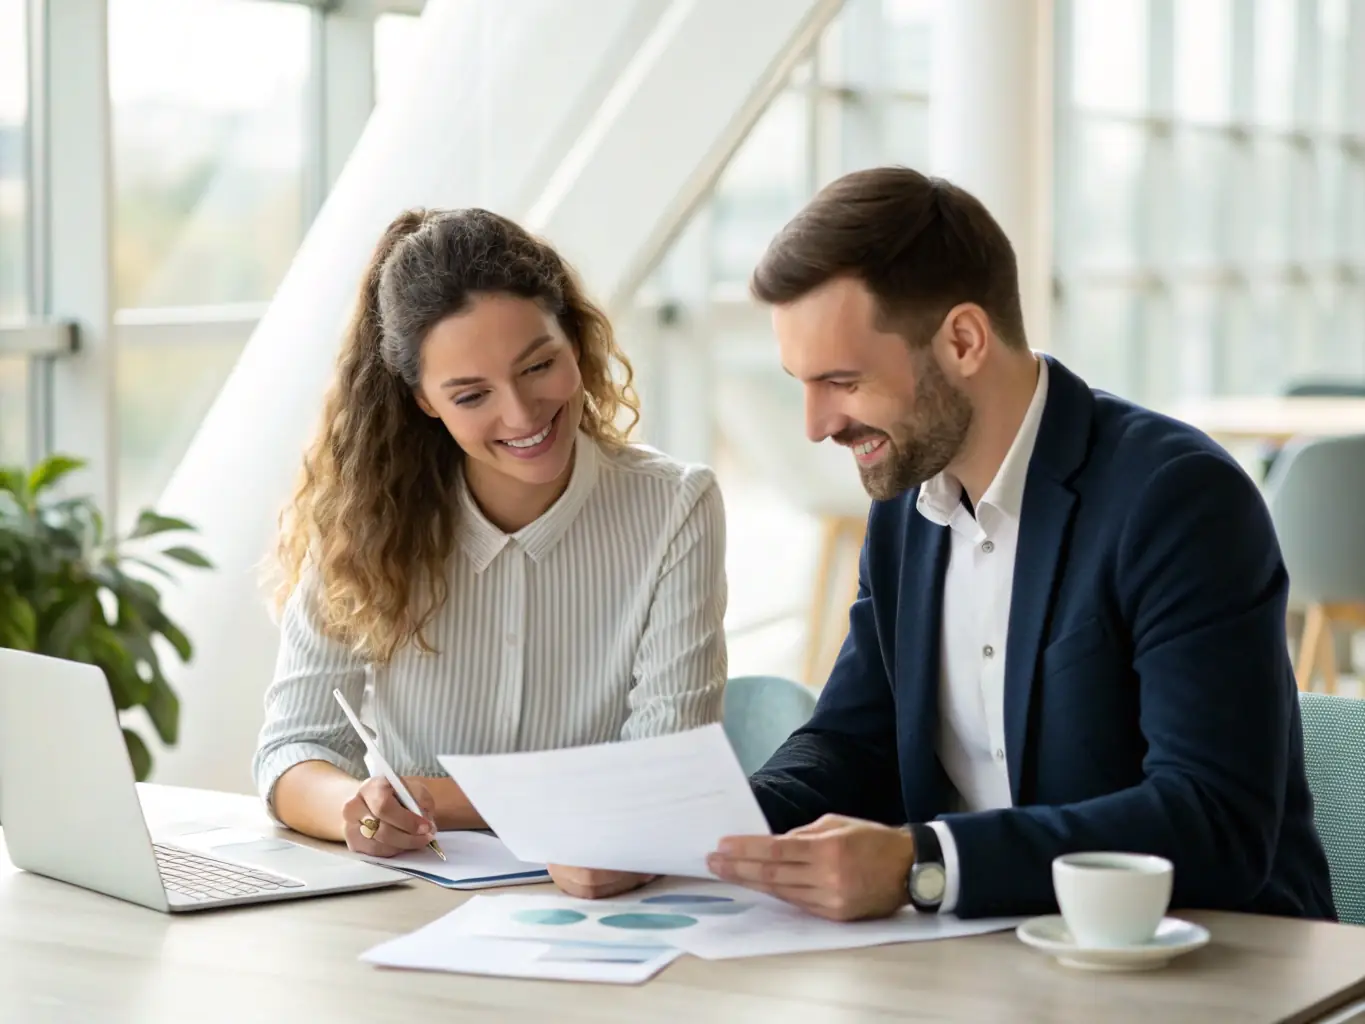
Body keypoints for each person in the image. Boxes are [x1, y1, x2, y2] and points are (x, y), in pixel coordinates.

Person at [705, 166, 1336, 924]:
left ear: (963, 340)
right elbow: (852, 742)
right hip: (992, 952)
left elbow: (1211, 819)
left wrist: (926, 863)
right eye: (801, 383)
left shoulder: (1177, 499)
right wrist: (709, 834)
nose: (816, 425)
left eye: (842, 381)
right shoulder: (907, 507)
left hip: (1212, 954)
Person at [254, 207, 727, 900]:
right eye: (472, 395)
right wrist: (358, 808)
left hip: (603, 905)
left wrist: (427, 796)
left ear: (575, 341)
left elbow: (662, 772)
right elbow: (293, 751)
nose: (522, 414)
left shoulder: (676, 507)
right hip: (412, 909)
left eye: (538, 366)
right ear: (424, 400)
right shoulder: (362, 521)